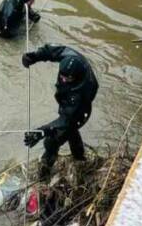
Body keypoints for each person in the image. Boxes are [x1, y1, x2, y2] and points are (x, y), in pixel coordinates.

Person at [21, 45, 99, 180]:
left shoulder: (80, 93)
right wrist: (34, 56)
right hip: (67, 103)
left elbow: (66, 120)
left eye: (67, 79)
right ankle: (80, 158)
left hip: (79, 112)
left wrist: (41, 132)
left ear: (76, 77)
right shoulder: (70, 56)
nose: (62, 80)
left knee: (52, 141)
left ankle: (43, 174)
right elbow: (51, 51)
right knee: (71, 131)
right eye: (61, 76)